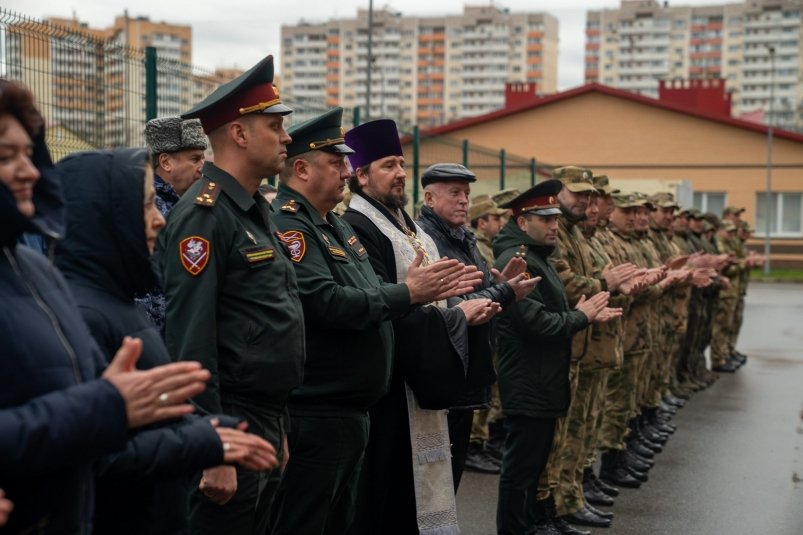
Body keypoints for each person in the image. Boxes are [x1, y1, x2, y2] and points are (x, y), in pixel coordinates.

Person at [0, 77, 211, 534]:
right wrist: (111, 406)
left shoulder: (33, 271)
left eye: (28, 154)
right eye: (5, 156)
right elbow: (99, 420)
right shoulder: (85, 302)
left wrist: (201, 430)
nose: (30, 171)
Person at [268, 109, 478, 535]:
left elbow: (370, 292)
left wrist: (416, 293)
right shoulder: (292, 227)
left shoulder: (333, 225)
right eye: (337, 163)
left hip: (352, 409)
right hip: (320, 410)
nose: (346, 172)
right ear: (303, 169)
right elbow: (326, 302)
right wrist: (409, 293)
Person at [55, 148, 277, 534]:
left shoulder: (118, 300)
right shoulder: (84, 315)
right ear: (104, 216)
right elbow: (95, 454)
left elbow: (150, 415)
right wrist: (204, 441)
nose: (159, 218)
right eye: (144, 205)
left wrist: (210, 428)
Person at [158, 55, 304, 535]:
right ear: (240, 134)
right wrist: (212, 445)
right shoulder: (203, 216)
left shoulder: (251, 210)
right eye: (275, 126)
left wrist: (278, 425)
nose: (286, 137)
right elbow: (190, 338)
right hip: (230, 422)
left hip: (263, 418)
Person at [343, 119, 489, 535]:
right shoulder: (359, 226)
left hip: (417, 379)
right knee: (385, 499)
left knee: (412, 500)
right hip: (390, 388)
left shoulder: (404, 223)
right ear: (361, 175)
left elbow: (432, 292)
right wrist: (456, 317)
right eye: (388, 165)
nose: (401, 173)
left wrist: (456, 304)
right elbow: (386, 304)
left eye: (402, 164)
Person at [493, 180, 621, 535]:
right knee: (520, 470)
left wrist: (582, 313)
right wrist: (582, 316)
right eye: (546, 219)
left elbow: (551, 312)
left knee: (533, 467)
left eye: (555, 218)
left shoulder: (538, 257)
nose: (554, 226)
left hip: (543, 378)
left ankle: (530, 524)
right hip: (528, 379)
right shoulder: (517, 261)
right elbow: (537, 323)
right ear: (523, 222)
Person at [416, 163, 539, 489]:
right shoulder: (427, 241)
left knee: (449, 476)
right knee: (434, 480)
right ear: (430, 198)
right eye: (455, 193)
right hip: (445, 373)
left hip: (467, 370)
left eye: (467, 194)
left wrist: (500, 286)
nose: (464, 201)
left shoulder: (463, 238)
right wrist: (504, 291)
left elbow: (478, 295)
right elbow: (455, 306)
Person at [138, 116, 207, 335]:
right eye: (195, 159)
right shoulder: (148, 208)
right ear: (166, 162)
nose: (202, 167)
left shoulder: (188, 203)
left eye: (203, 158)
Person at [466, 194, 511, 473]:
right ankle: (474, 445)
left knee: (491, 387)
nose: (501, 223)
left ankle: (483, 442)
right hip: (481, 320)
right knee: (482, 385)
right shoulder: (479, 248)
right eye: (496, 218)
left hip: (492, 323)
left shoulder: (487, 246)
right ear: (482, 223)